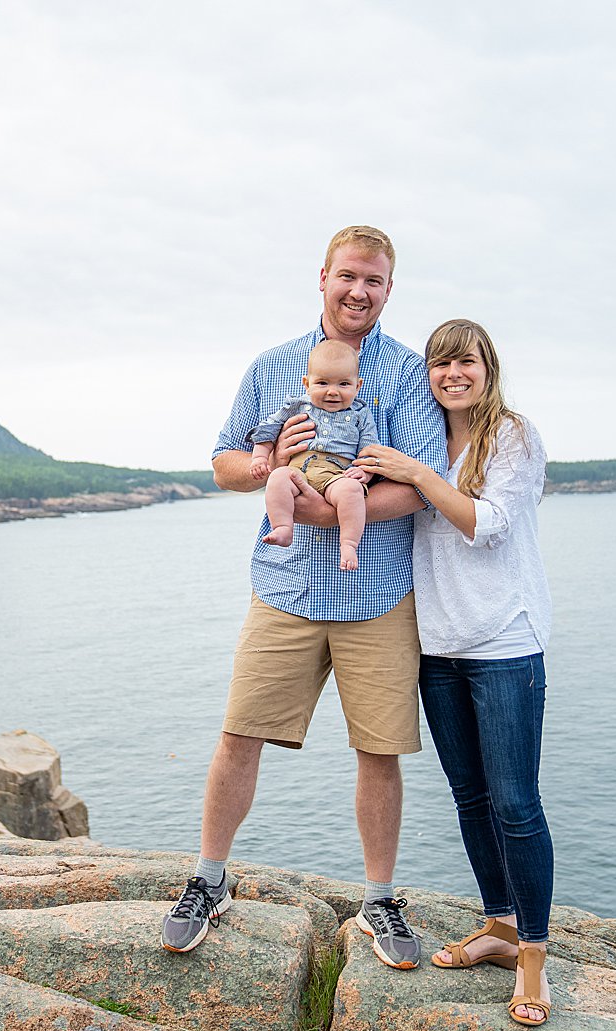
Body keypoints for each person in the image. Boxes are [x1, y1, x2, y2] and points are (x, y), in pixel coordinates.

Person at [159, 226, 448, 969]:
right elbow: (223, 460)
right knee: (239, 735)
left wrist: (327, 510)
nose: (360, 291)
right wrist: (269, 468)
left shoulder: (410, 374)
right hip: (285, 588)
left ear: (389, 289)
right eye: (349, 275)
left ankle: (379, 899)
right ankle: (209, 878)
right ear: (322, 277)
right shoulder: (273, 365)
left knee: (379, 751)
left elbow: (417, 483)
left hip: (375, 589)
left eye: (375, 281)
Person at [356, 318, 555, 1025]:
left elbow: (488, 523)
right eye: (440, 364)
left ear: (486, 366)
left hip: (505, 642)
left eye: (464, 361)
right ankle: (498, 927)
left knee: (515, 804)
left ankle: (533, 959)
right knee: (470, 796)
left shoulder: (513, 436)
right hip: (437, 644)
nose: (452, 374)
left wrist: (417, 474)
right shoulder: (421, 437)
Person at [248, 338, 378, 570]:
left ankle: (349, 543)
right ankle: (283, 527)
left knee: (352, 491)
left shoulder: (360, 414)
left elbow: (369, 448)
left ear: (358, 386)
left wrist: (364, 473)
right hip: (298, 470)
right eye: (322, 383)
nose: (332, 392)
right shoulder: (297, 406)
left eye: (343, 384)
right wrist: (260, 457)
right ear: (306, 384)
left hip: (336, 474)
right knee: (277, 478)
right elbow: (268, 428)